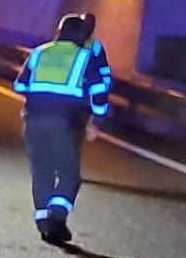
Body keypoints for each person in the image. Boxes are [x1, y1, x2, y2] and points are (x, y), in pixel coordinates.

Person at [13, 12, 113, 245]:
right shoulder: (85, 56)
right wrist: (97, 123)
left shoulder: (39, 52)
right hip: (65, 123)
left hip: (33, 121)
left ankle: (42, 221)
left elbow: (20, 85)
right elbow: (99, 92)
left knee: (42, 173)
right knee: (68, 175)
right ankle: (57, 219)